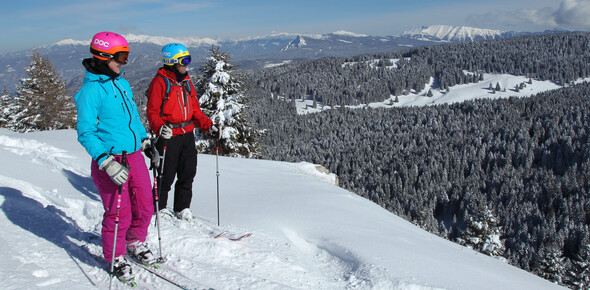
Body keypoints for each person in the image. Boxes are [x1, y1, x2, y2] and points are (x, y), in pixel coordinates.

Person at [75, 32, 158, 282]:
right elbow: (85, 132)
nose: (124, 62)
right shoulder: (91, 92)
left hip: (133, 156)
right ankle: (116, 255)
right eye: (121, 56)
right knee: (119, 212)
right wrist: (105, 162)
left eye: (126, 56)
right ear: (103, 57)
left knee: (145, 204)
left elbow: (132, 118)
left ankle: (134, 241)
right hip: (111, 161)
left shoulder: (121, 83)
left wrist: (144, 142)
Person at [146, 43, 217, 221]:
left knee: (187, 173)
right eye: (184, 60)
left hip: (187, 135)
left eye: (188, 60)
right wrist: (160, 128)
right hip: (169, 136)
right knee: (165, 174)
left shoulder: (186, 82)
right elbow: (152, 112)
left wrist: (209, 126)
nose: (187, 64)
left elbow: (195, 111)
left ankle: (182, 207)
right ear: (171, 62)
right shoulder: (160, 82)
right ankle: (159, 207)